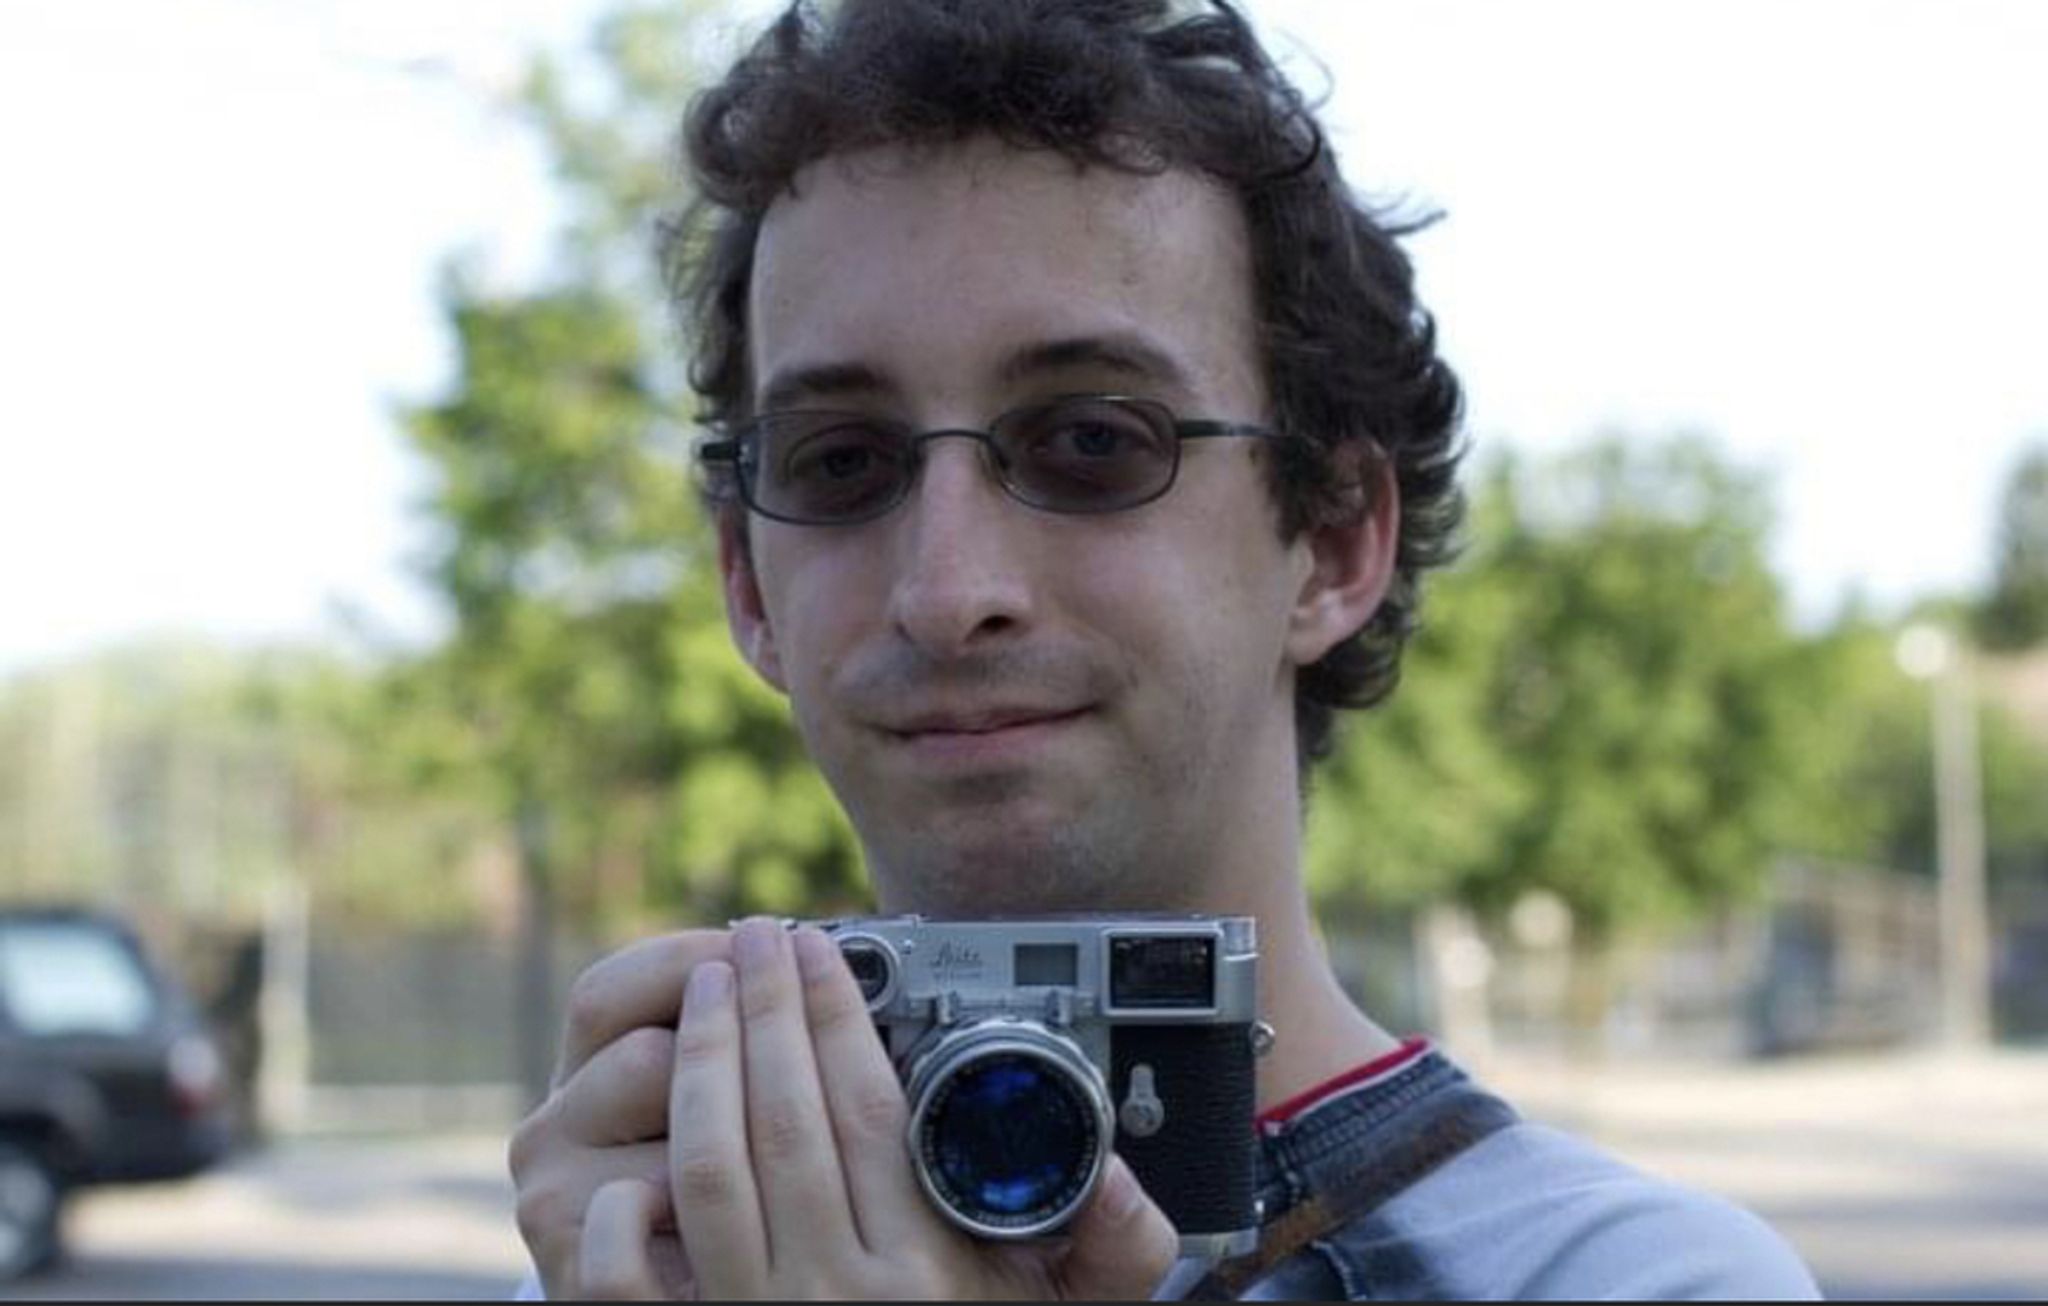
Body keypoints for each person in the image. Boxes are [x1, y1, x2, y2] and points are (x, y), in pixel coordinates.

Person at [508, 0, 1821, 1298]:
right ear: (746, 581)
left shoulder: (1631, 1281)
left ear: (1335, 540)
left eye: (1093, 441)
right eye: (841, 461)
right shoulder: (653, 1270)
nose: (947, 590)